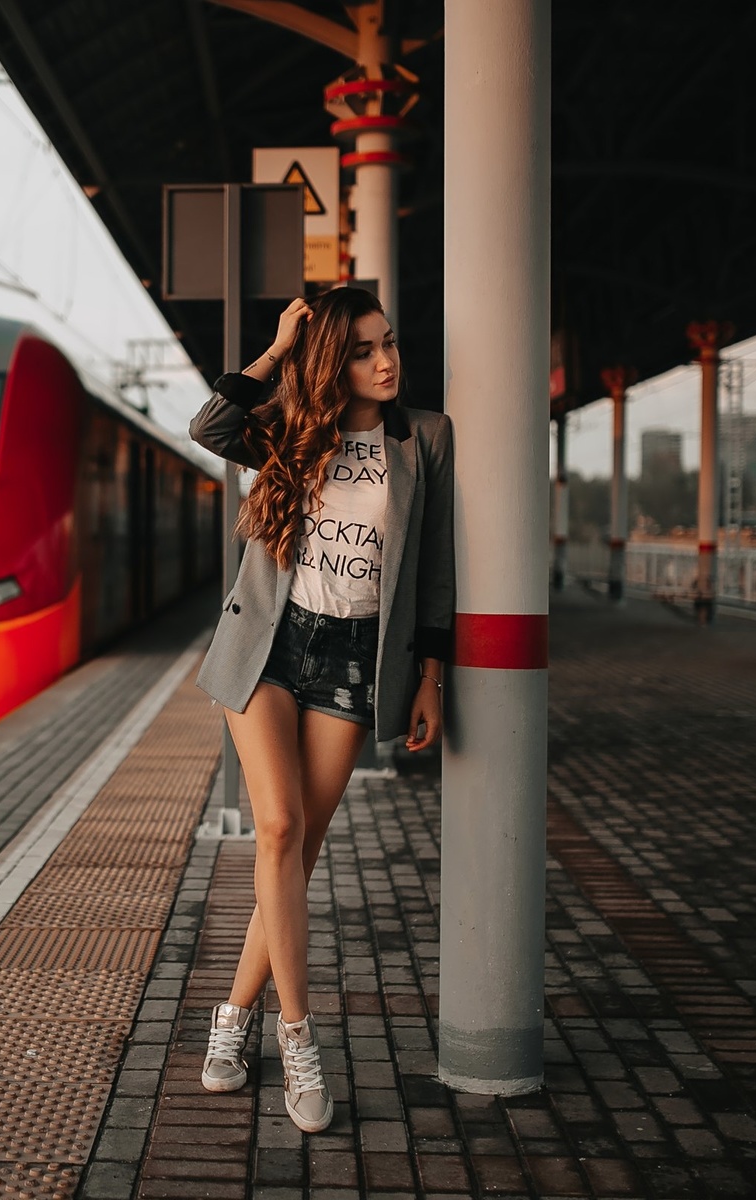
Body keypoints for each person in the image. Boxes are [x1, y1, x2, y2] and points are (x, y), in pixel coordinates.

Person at [188, 286, 454, 1133]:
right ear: (332, 361)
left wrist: (430, 676)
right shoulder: (293, 428)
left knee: (294, 861)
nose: (387, 360)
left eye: (390, 342)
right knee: (276, 830)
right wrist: (273, 352)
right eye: (366, 349)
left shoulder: (426, 439)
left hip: (357, 659)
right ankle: (299, 1039)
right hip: (270, 644)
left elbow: (437, 568)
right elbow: (208, 429)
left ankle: (231, 1023)